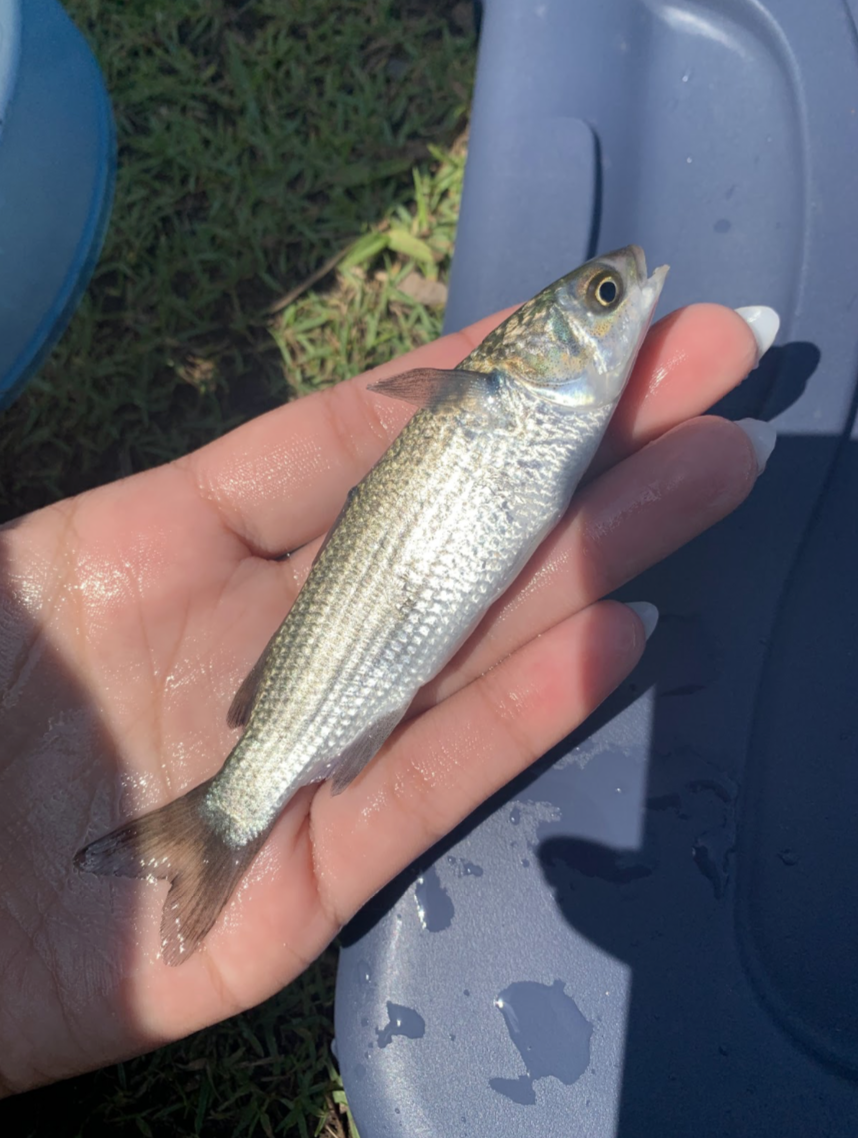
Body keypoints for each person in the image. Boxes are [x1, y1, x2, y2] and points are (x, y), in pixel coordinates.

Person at [0, 299, 775, 1097]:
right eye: (604, 298)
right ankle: (222, 819)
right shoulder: (497, 393)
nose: (622, 299)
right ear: (538, 350)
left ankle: (220, 823)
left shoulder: (511, 397)